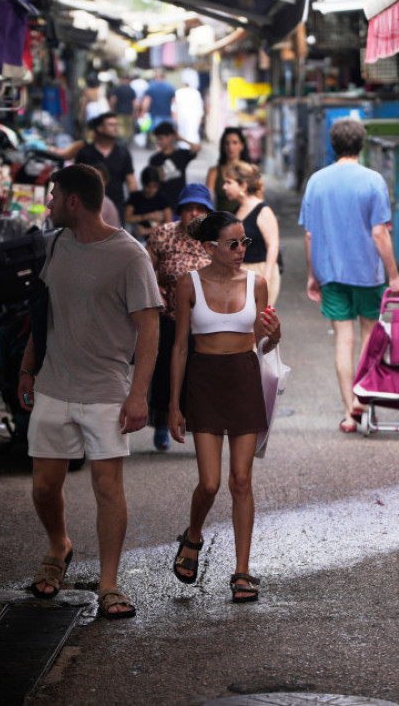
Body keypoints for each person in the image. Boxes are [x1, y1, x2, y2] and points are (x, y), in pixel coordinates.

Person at [16, 164, 163, 620]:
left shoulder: (129, 255)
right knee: (44, 485)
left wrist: (139, 394)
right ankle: (59, 546)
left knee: (107, 487)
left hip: (106, 390)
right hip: (55, 383)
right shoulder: (55, 244)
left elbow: (149, 327)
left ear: (74, 201)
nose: (50, 204)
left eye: (54, 195)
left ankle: (109, 583)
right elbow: (43, 313)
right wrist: (27, 367)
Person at [168, 210, 281, 603]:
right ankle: (193, 535)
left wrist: (275, 334)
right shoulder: (188, 284)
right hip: (204, 381)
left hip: (244, 378)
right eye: (233, 243)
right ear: (209, 247)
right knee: (210, 483)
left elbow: (263, 344)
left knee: (241, 480)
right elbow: (180, 347)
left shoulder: (257, 283)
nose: (241, 249)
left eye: (244, 242)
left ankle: (242, 571)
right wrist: (173, 405)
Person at [299, 118, 399, 434]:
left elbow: (309, 234)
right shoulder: (373, 181)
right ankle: (362, 394)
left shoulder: (316, 181)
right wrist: (394, 275)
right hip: (367, 273)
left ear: (333, 145)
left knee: (343, 339)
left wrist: (312, 274)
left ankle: (349, 412)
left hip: (330, 272)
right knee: (370, 338)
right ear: (361, 144)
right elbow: (379, 233)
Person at [145, 184, 214, 450]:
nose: (193, 213)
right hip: (169, 316)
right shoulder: (163, 235)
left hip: (204, 321)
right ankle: (163, 424)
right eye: (188, 208)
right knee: (164, 372)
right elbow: (144, 271)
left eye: (199, 209)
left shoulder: (215, 240)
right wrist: (154, 294)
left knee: (200, 376)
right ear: (180, 211)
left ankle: (200, 428)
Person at [224, 161, 281, 306]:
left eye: (229, 183)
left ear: (242, 186)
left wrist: (266, 279)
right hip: (241, 272)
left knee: (258, 324)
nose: (224, 187)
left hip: (260, 271)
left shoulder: (263, 210)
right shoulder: (237, 210)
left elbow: (273, 246)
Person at [73, 112, 137, 222]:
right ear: (100, 128)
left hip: (117, 207)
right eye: (111, 125)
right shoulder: (86, 153)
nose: (115, 128)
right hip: (89, 207)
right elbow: (75, 181)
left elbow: (130, 179)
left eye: (116, 125)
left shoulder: (122, 153)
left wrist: (134, 205)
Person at [147, 121, 201, 212]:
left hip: (180, 202)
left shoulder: (181, 154)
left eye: (161, 138)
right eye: (157, 139)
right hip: (161, 205)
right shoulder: (155, 159)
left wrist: (180, 138)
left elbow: (197, 147)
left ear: (171, 137)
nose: (158, 142)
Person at [206, 127, 252, 213]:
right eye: (227, 143)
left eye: (235, 143)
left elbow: (258, 199)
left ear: (241, 146)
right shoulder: (214, 171)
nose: (230, 147)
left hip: (245, 220)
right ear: (223, 146)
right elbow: (207, 200)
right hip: (222, 221)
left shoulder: (249, 170)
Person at [124, 166, 170, 243]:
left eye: (155, 186)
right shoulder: (135, 197)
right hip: (138, 239)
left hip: (158, 239)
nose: (151, 190)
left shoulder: (162, 199)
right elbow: (128, 218)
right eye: (148, 186)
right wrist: (146, 216)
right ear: (143, 184)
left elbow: (168, 224)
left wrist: (147, 231)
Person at [174, 68, 204, 148]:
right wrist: (200, 117)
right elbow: (199, 106)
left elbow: (174, 107)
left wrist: (174, 116)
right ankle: (190, 147)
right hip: (190, 116)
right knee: (191, 132)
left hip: (184, 116)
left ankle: (188, 147)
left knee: (187, 132)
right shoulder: (195, 93)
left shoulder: (179, 92)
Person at [108, 73, 138, 142]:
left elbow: (113, 100)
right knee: (128, 128)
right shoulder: (131, 90)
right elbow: (135, 103)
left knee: (120, 126)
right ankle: (126, 141)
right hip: (129, 112)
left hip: (119, 111)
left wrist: (111, 109)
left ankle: (122, 141)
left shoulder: (117, 89)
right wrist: (135, 111)